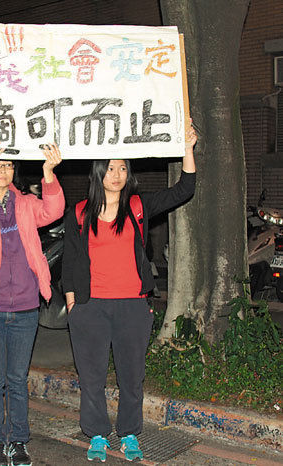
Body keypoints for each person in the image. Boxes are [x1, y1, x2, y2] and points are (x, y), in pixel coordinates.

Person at [62, 125, 197, 462]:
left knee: (131, 377)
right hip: (91, 307)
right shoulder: (79, 213)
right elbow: (71, 262)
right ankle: (95, 434)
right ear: (98, 172)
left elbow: (184, 189)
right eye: (110, 167)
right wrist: (73, 304)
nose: (117, 174)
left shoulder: (138, 206)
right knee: (91, 377)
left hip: (132, 307)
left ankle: (129, 434)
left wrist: (188, 148)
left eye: (123, 168)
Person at [0, 139, 65, 466]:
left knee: (18, 379)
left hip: (24, 306)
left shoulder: (26, 203)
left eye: (7, 165)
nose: (3, 171)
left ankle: (18, 441)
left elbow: (54, 210)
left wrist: (49, 174)